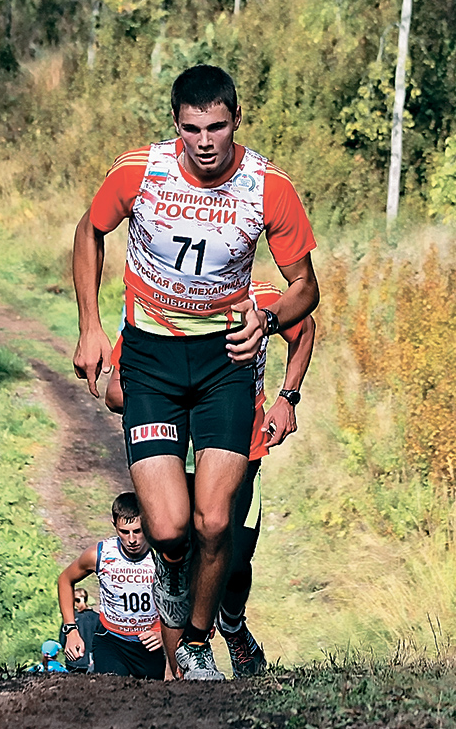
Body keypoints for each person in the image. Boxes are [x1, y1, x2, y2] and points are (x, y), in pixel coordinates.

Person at [72, 64, 319, 680]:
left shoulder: (269, 188)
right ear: (175, 126)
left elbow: (306, 292)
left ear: (237, 119)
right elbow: (89, 230)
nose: (205, 142)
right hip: (152, 355)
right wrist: (90, 326)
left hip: (226, 361)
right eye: (191, 129)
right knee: (170, 527)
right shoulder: (140, 172)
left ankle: (197, 640)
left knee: (215, 521)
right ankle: (173, 570)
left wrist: (264, 319)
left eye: (217, 127)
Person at [105, 280, 316, 678]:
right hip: (173, 450)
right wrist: (161, 393)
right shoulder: (161, 309)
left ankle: (232, 625)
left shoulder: (260, 298)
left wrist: (287, 398)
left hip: (240, 445)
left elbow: (304, 327)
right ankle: (185, 677)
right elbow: (114, 391)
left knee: (234, 562)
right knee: (176, 557)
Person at [56, 492, 165, 679]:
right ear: (114, 525)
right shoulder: (100, 554)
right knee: (111, 695)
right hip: (111, 641)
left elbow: (188, 596)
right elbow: (65, 580)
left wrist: (166, 634)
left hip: (151, 644)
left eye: (138, 531)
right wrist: (71, 630)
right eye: (124, 532)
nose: (132, 540)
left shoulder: (163, 553)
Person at [58, 587, 101, 673]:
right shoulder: (97, 618)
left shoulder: (70, 620)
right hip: (91, 662)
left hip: (73, 661)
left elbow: (62, 640)